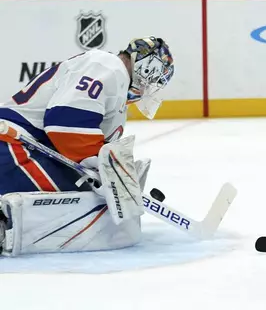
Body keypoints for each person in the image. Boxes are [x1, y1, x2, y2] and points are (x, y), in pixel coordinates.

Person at [0, 37, 175, 256]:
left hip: (24, 149)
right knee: (80, 197)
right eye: (157, 78)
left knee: (89, 195)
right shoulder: (106, 66)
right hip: (11, 147)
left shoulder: (117, 88)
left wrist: (109, 174)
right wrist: (102, 169)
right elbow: (65, 122)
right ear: (149, 67)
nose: (152, 87)